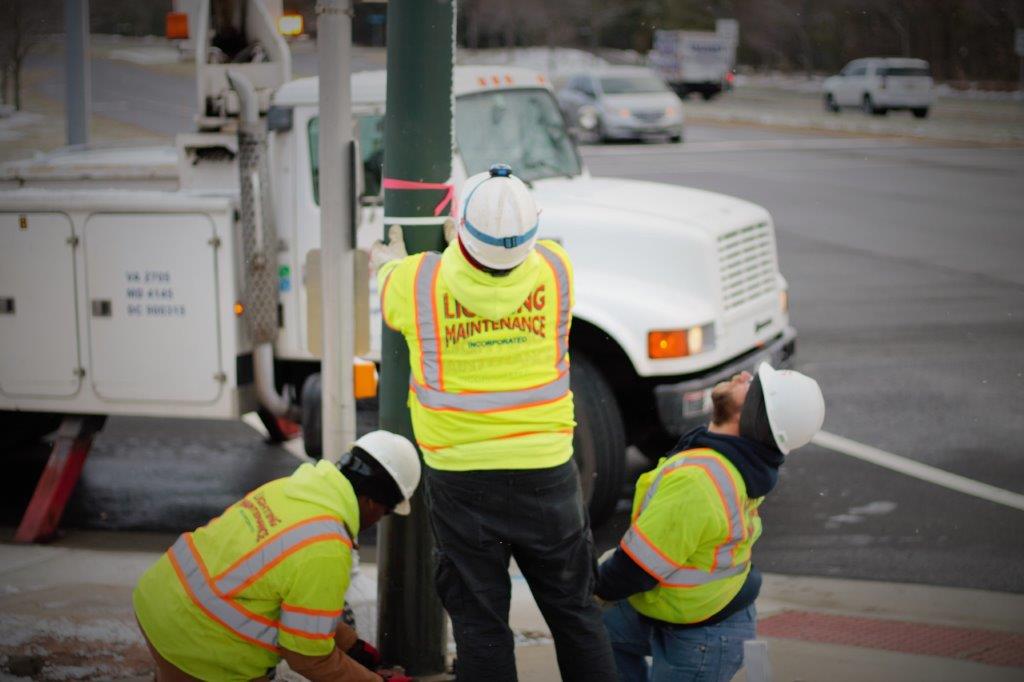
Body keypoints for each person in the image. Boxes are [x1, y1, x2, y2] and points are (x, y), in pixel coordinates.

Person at [370, 163, 616, 681]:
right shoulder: (557, 269)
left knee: (481, 625)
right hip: (547, 473)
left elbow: (391, 276)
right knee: (575, 614)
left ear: (462, 227)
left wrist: (390, 262)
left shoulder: (420, 284)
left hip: (462, 482)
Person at [595, 363, 825, 682]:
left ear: (755, 414)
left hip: (701, 639)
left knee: (586, 619)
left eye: (753, 383)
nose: (743, 375)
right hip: (695, 612)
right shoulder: (731, 461)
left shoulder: (699, 480)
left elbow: (637, 568)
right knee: (593, 631)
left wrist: (594, 587)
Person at [132, 431, 420, 682]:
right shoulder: (327, 547)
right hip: (198, 640)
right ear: (371, 501)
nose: (378, 520)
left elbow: (292, 598)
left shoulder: (290, 490)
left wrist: (351, 645)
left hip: (162, 599)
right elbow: (308, 657)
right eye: (384, 513)